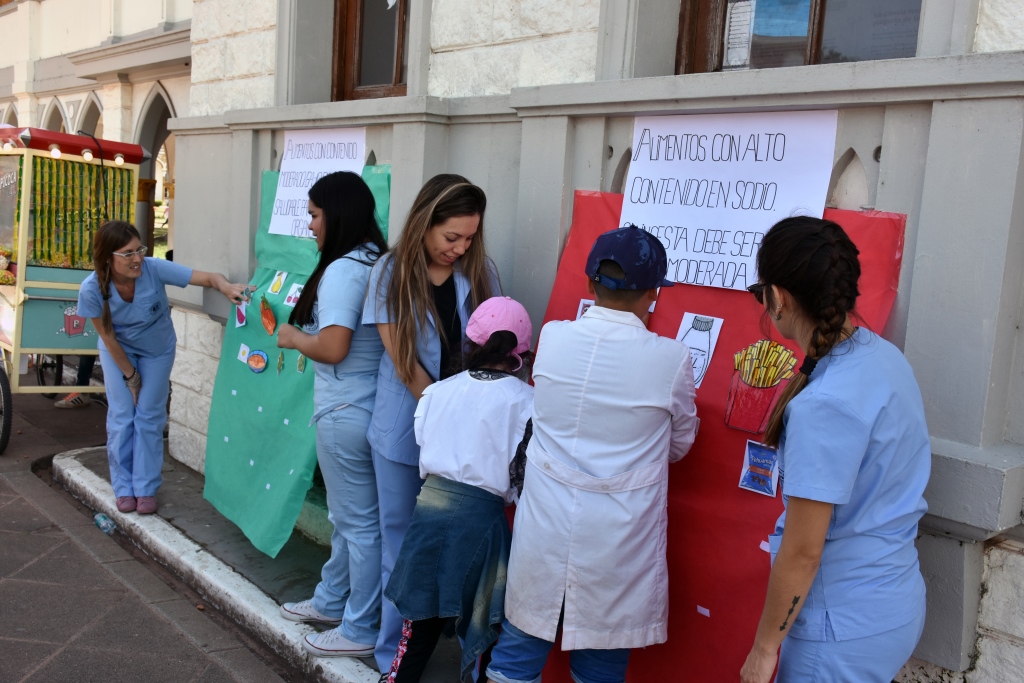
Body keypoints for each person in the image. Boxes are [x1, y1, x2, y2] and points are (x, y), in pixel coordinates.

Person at [485, 225, 699, 683]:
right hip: (617, 535)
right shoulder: (671, 358)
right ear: (653, 295)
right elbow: (679, 446)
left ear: (589, 284)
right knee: (600, 663)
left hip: (545, 522)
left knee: (518, 649)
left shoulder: (555, 338)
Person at [739, 217, 930, 683]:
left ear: (778, 298)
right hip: (891, 603)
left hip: (839, 627)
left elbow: (804, 551)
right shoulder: (883, 357)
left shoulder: (824, 403)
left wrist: (764, 649)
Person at [363, 174, 501, 673]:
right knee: (401, 547)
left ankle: (440, 634)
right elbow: (403, 359)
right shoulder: (389, 272)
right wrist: (449, 415)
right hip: (406, 429)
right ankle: (390, 658)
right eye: (451, 238)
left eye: (469, 237)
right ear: (424, 223)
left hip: (464, 436)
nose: (460, 248)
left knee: (458, 542)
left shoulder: (481, 271)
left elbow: (497, 351)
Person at [383, 296, 535, 683]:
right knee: (482, 629)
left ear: (470, 345)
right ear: (524, 354)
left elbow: (426, 443)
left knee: (418, 623)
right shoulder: (529, 403)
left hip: (428, 514)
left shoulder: (436, 392)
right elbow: (521, 480)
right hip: (483, 525)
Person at [274, 171, 389, 658]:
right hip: (366, 407)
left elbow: (334, 346)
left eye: (316, 215)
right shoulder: (375, 261)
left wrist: (291, 336)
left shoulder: (345, 268)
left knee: (359, 525)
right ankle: (330, 601)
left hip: (346, 410)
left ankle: (360, 628)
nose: (311, 225)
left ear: (337, 214)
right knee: (351, 520)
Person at [77, 221, 247, 515]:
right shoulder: (91, 288)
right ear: (108, 258)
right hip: (119, 351)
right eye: (127, 253)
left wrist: (226, 286)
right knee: (122, 416)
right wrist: (131, 376)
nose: (137, 258)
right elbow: (107, 335)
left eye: (139, 249)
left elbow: (206, 277)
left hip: (157, 350)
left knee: (149, 415)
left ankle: (145, 488)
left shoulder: (153, 269)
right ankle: (123, 487)